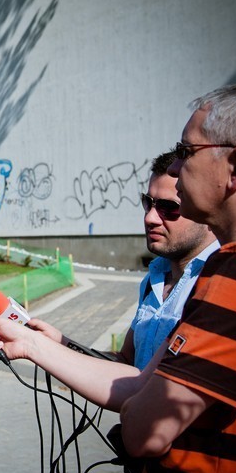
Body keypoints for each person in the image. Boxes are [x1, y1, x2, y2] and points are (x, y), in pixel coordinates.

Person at [0, 78, 236, 473]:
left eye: (187, 152)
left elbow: (142, 432)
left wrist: (138, 413)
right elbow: (137, 381)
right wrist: (34, 344)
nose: (174, 166)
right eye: (147, 204)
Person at [28, 149, 219, 370]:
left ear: (207, 210)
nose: (150, 218)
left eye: (169, 208)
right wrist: (60, 345)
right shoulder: (153, 280)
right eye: (148, 203)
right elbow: (127, 363)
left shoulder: (221, 282)